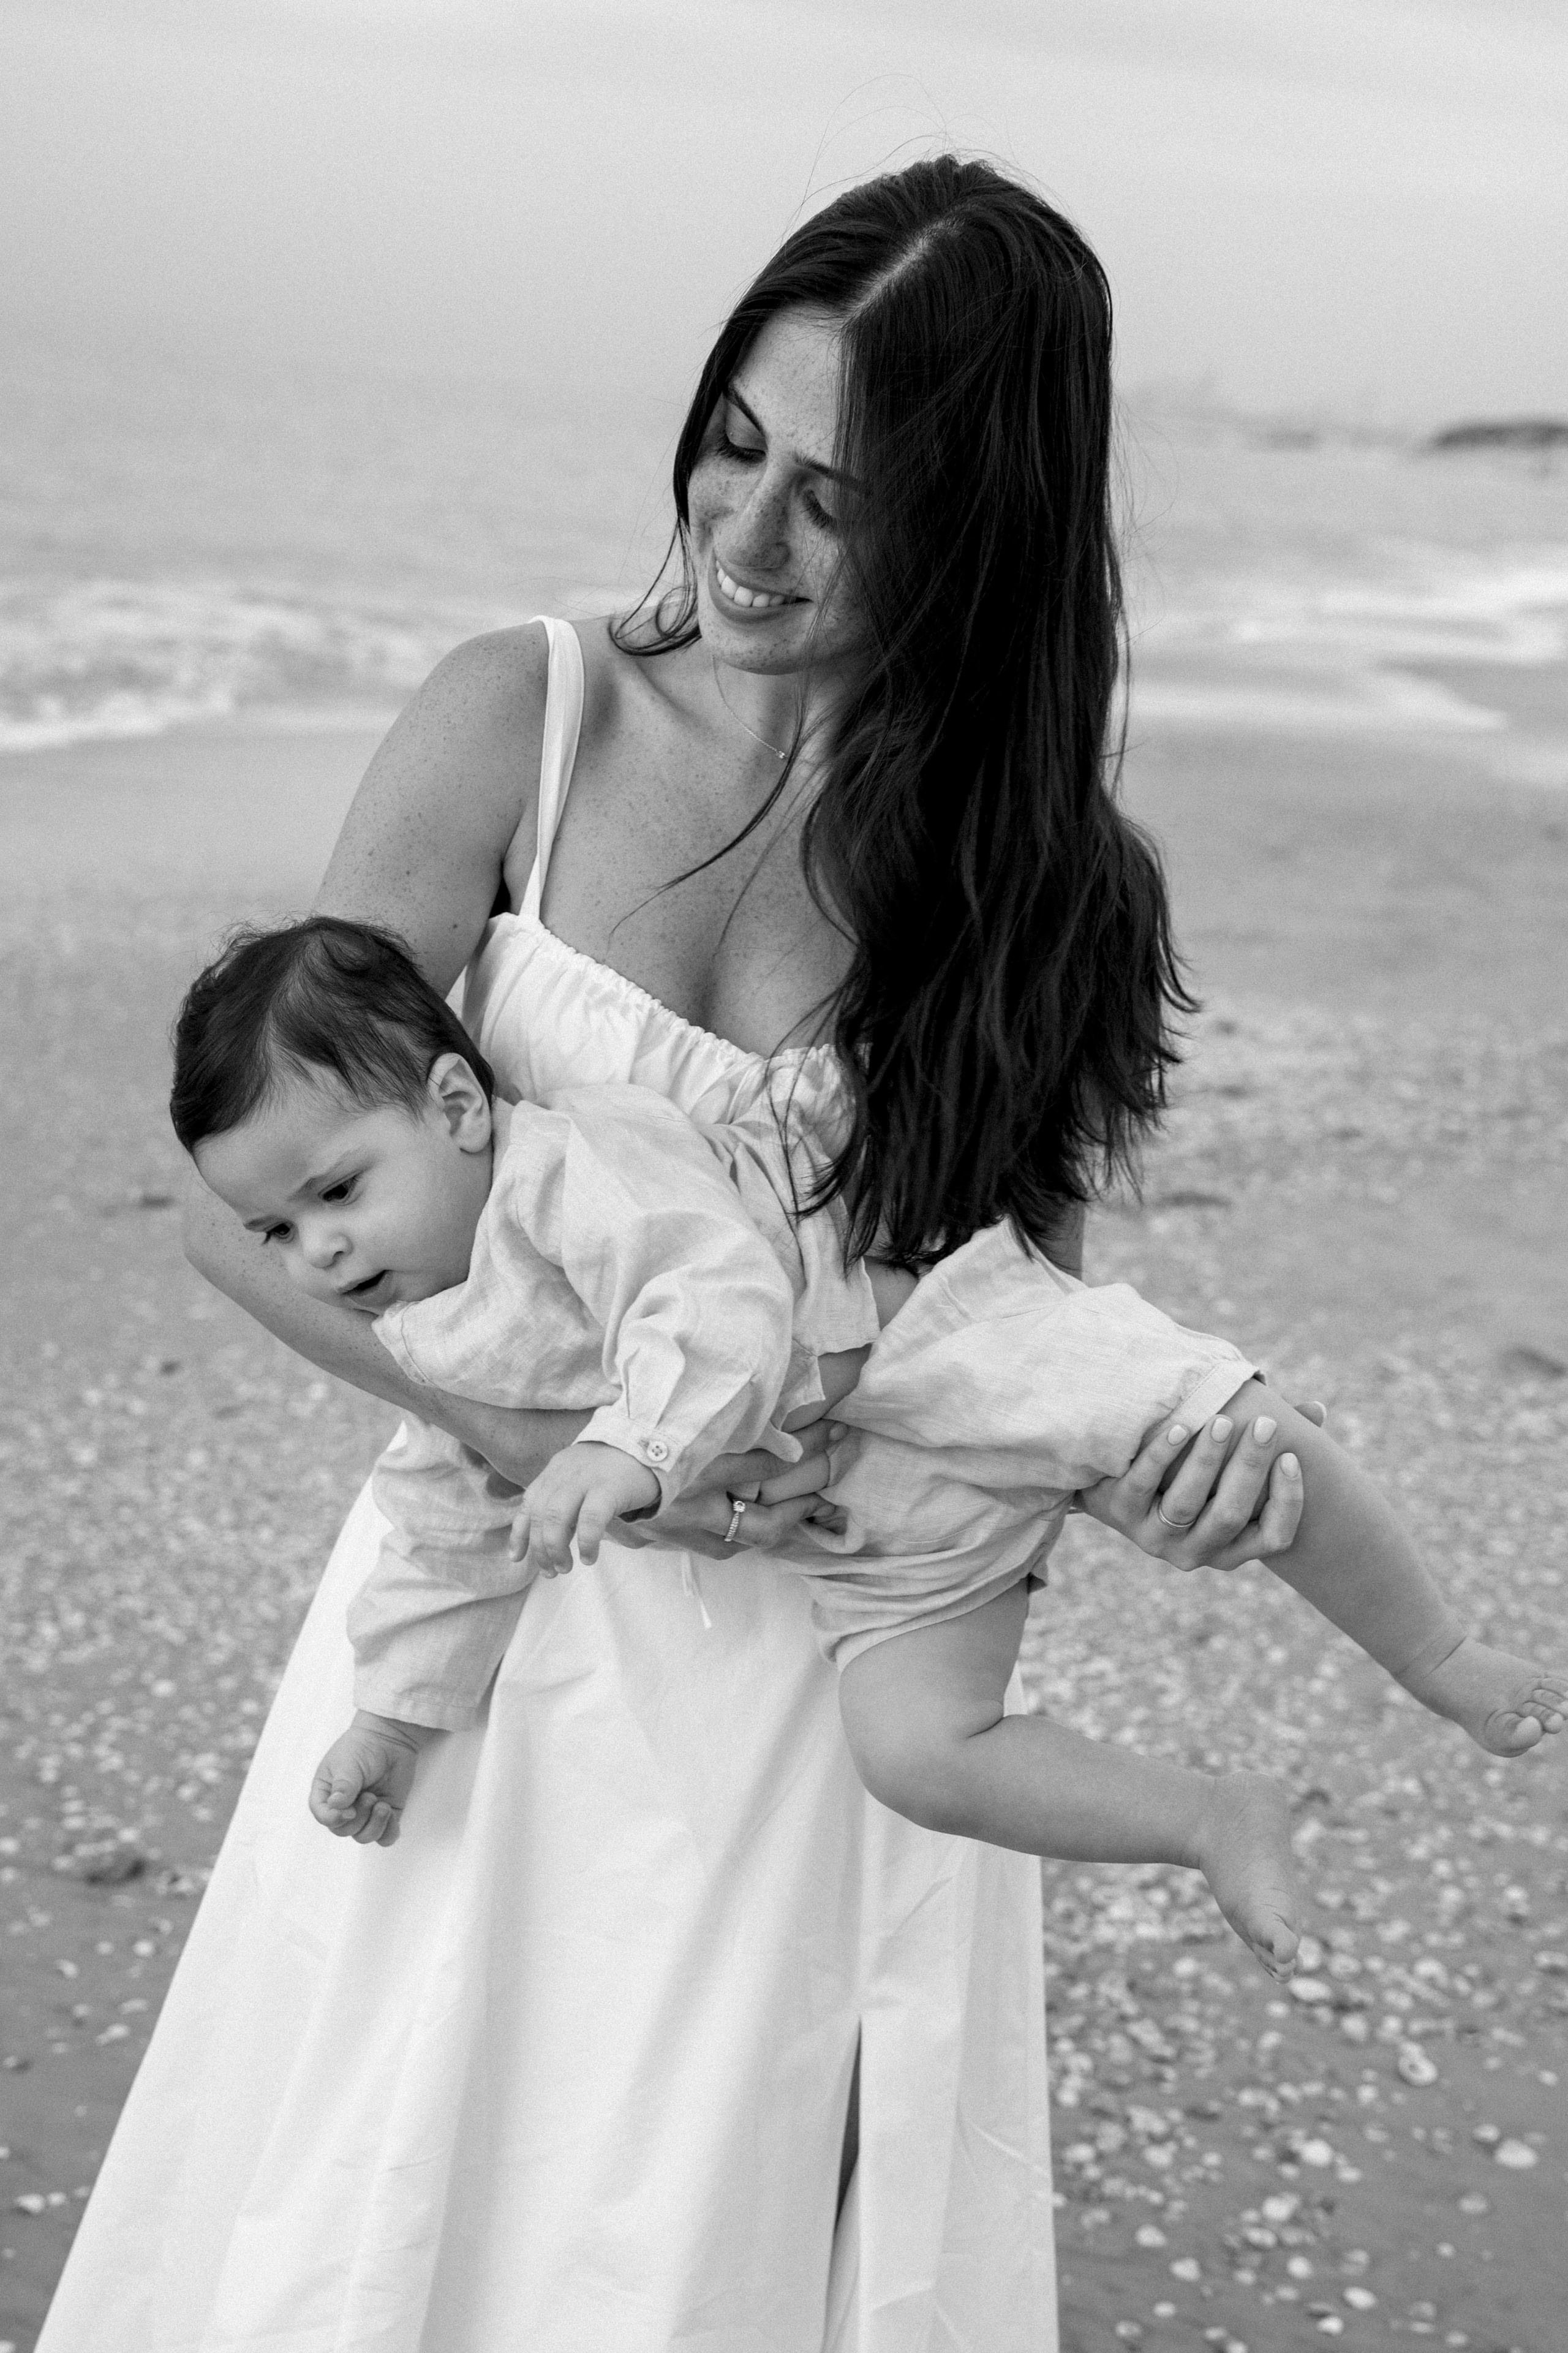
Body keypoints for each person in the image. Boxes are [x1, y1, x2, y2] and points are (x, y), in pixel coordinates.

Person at [42, 157, 1333, 2353]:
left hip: (811, 1716)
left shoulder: (1047, 897)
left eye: (839, 494)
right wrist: (502, 1412)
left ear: (986, 522)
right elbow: (232, 1200)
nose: (746, 535)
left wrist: (1174, 1482)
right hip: (474, 1655)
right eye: (734, 443)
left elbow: (1019, 1355)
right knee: (360, 2248)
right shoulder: (513, 721)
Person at [172, 915, 1566, 1983]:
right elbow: (442, 1508)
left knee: (1232, 1432)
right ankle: (1205, 1817)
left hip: (934, 1340)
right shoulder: (432, 1328)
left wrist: (628, 1449)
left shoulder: (568, 1169)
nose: (322, 1251)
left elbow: (712, 1289)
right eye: (277, 1234)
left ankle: (1436, 1654)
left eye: (337, 1192)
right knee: (915, 1748)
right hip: (866, 1502)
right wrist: (394, 1714)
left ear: (459, 1108)